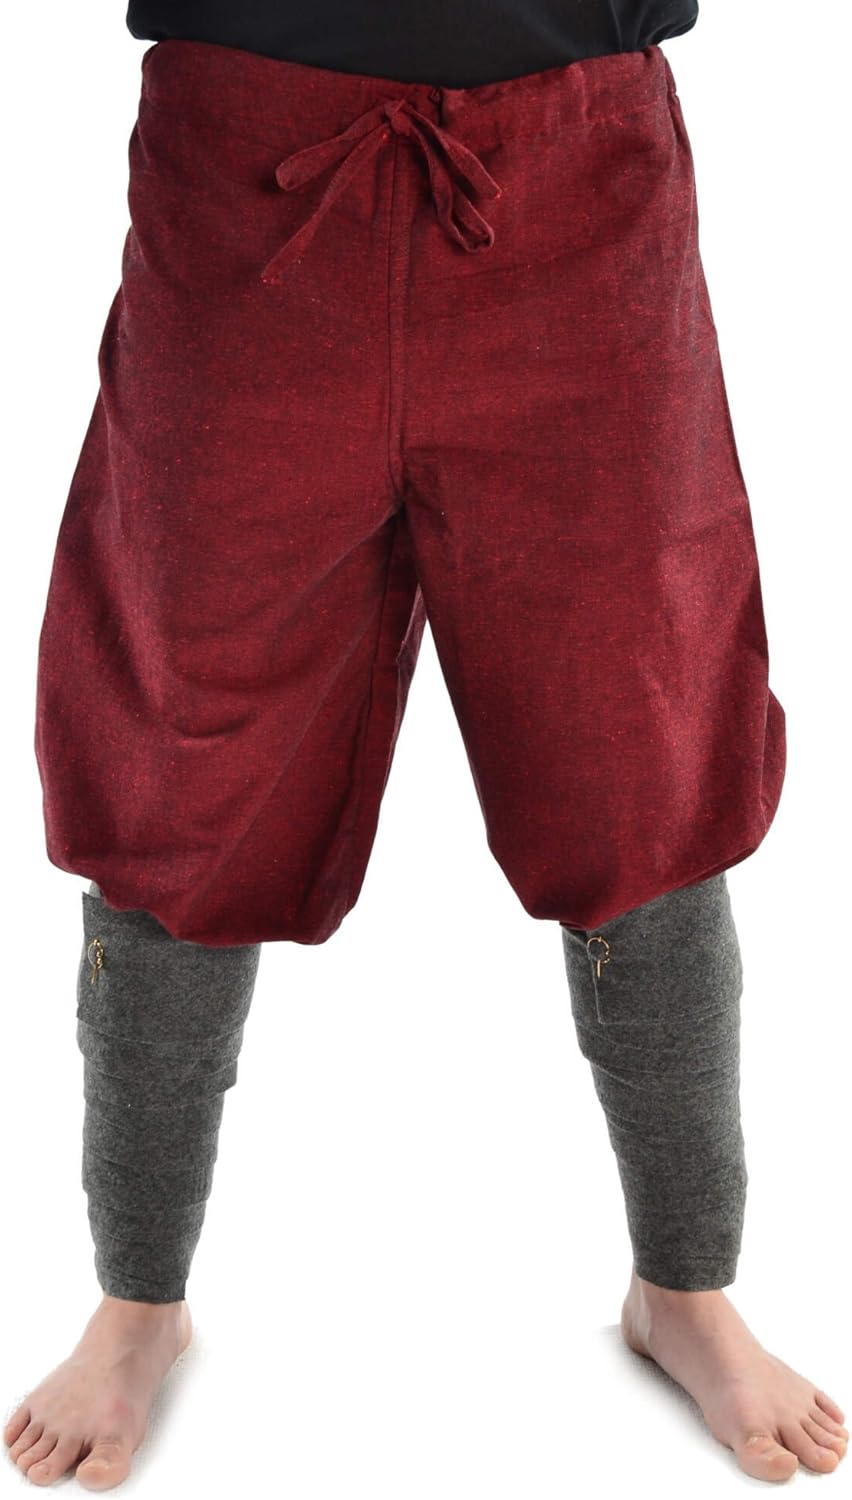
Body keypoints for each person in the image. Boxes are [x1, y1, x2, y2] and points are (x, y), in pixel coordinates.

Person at [5, 2, 847, 1489]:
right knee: (175, 758)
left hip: (580, 179)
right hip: (247, 182)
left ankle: (685, 1286)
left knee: (641, 750)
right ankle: (138, 1301)